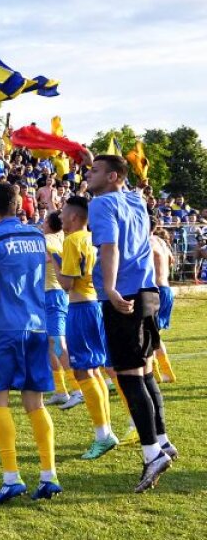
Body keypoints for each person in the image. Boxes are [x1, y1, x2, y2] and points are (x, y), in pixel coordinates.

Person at [84, 154, 176, 492]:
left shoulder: (101, 204)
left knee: (129, 377)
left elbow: (109, 247)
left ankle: (152, 453)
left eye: (94, 171)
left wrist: (109, 288)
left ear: (112, 177)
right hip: (147, 290)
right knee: (146, 373)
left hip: (123, 294)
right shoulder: (136, 200)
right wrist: (93, 161)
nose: (88, 175)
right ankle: (162, 441)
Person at [0, 182, 62, 504]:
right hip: (36, 326)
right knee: (35, 403)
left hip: (3, 328)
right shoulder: (37, 236)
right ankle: (49, 475)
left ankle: (11, 477)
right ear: (18, 205)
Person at [56, 196, 118, 459]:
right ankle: (106, 431)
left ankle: (103, 435)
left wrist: (54, 261)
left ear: (73, 217)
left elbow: (67, 283)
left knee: (83, 371)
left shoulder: (72, 241)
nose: (60, 217)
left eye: (63, 212)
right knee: (93, 370)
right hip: (94, 305)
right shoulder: (91, 239)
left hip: (81, 309)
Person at [42, 211, 81, 410]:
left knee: (58, 342)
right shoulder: (59, 237)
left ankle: (77, 389)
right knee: (50, 345)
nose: (41, 223)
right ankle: (60, 391)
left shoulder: (46, 241)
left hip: (53, 295)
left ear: (49, 224)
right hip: (49, 295)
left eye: (44, 220)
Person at [150, 228, 176, 383]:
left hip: (157, 291)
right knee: (154, 335)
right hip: (166, 289)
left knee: (150, 335)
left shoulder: (150, 241)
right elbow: (172, 260)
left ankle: (156, 374)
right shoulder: (162, 243)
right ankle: (166, 372)